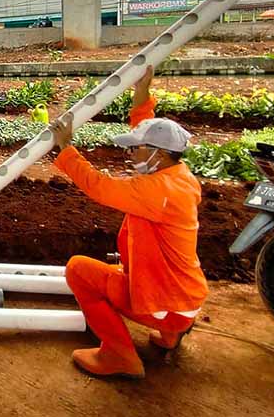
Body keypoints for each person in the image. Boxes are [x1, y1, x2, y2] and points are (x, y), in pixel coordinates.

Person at [49, 65, 207, 379]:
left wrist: (66, 149)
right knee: (124, 272)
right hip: (185, 300)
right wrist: (141, 92)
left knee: (78, 270)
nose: (131, 154)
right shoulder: (177, 175)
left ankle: (119, 354)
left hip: (168, 306)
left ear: (159, 155)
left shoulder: (157, 191)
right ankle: (170, 335)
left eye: (136, 149)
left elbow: (99, 186)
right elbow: (148, 129)